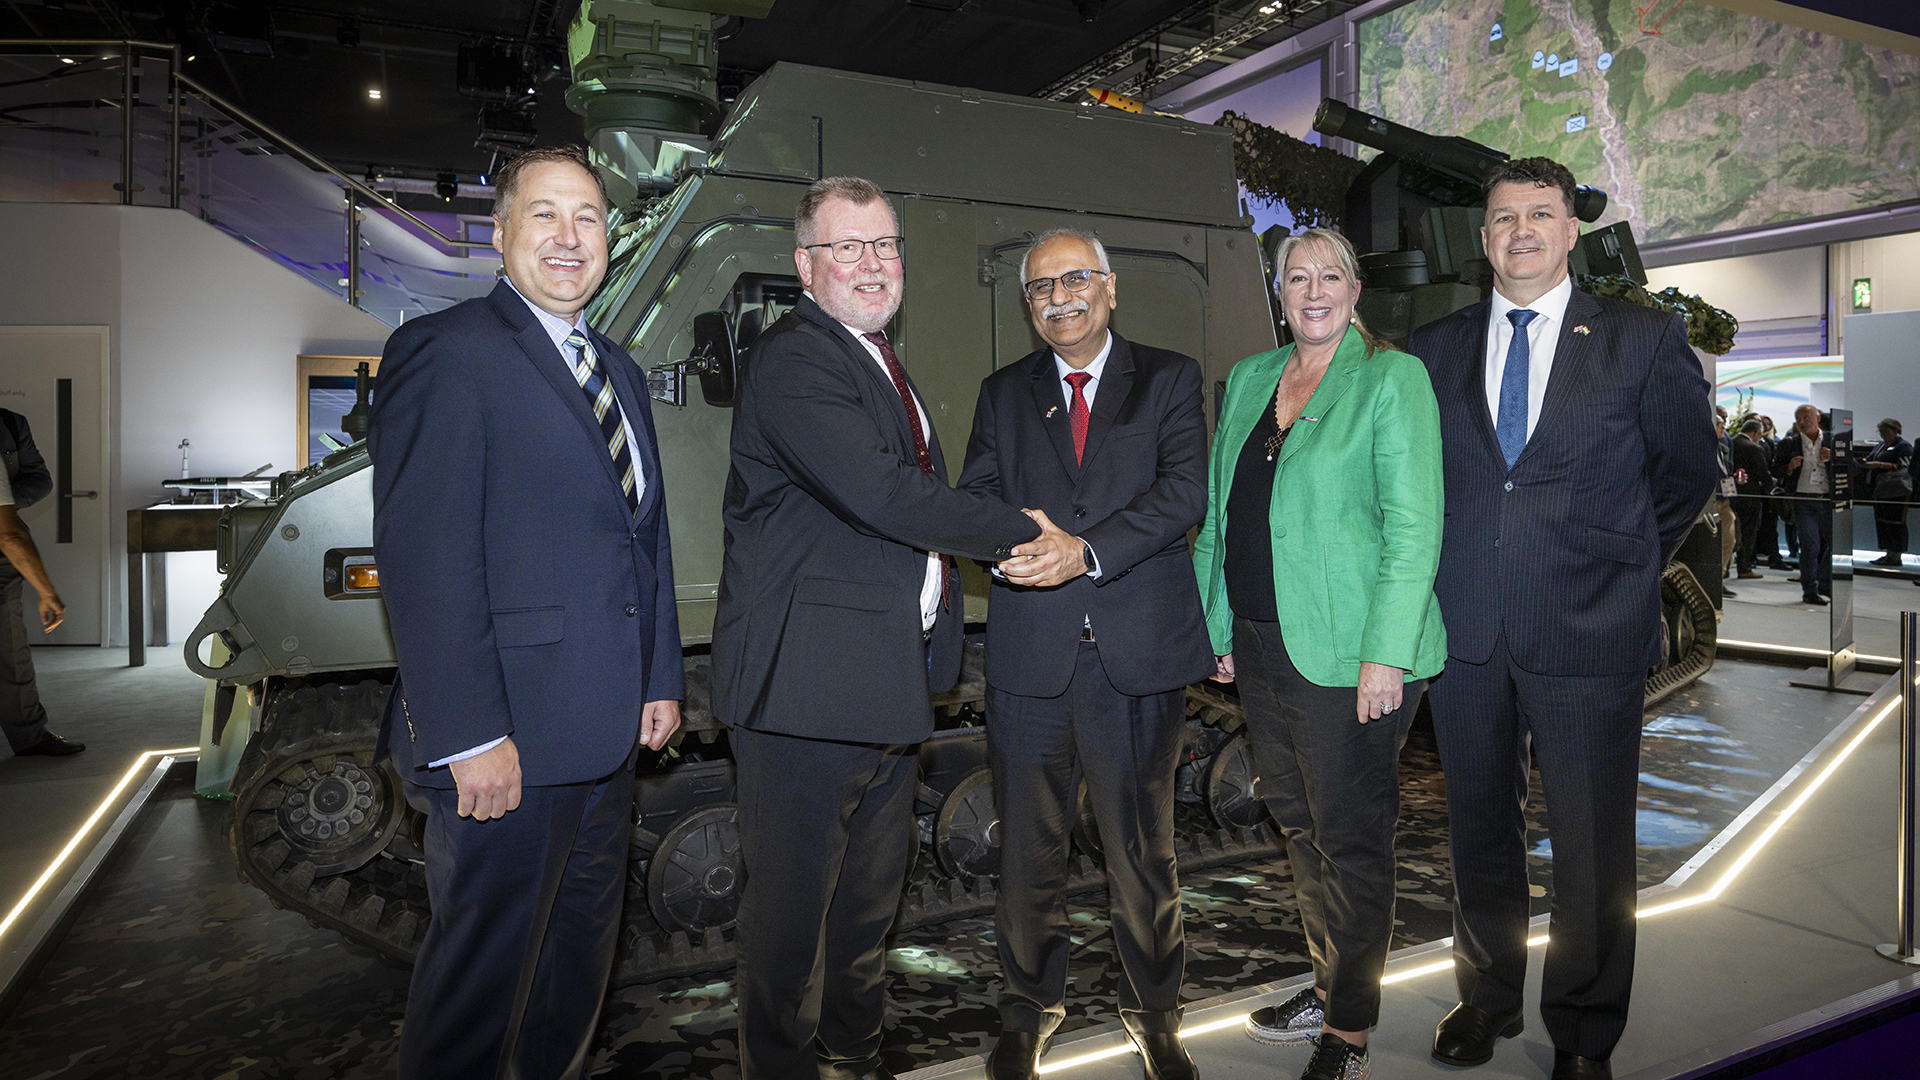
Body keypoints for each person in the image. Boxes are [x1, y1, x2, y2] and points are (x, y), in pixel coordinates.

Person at [712, 175, 1051, 1080]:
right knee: (787, 932)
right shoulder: (797, 359)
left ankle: (856, 1059)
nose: (872, 263)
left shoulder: (874, 359)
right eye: (847, 246)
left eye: (885, 245)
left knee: (864, 916)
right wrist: (1031, 534)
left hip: (880, 686)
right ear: (804, 265)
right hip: (804, 695)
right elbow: (884, 496)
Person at [368, 144, 684, 1080]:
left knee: (574, 971)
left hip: (603, 735)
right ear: (499, 234)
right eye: (543, 215)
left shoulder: (619, 370)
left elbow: (646, 540)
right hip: (506, 740)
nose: (567, 236)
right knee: (483, 982)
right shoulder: (448, 351)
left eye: (586, 217)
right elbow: (426, 561)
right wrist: (468, 734)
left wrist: (657, 676)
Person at [1409, 157, 1718, 1080]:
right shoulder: (1435, 347)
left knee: (1589, 845)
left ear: (1571, 228)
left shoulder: (1640, 336)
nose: (1520, 233)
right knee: (1476, 830)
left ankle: (1584, 1032)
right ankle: (1488, 997)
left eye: (1539, 215)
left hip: (1589, 627)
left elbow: (1687, 474)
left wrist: (1619, 567)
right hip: (1466, 631)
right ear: (1484, 236)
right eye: (1503, 218)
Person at [957, 228, 1211, 1080]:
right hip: (1032, 660)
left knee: (1143, 852)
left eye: (1074, 280)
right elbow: (977, 501)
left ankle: (1156, 1014)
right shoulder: (1002, 393)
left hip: (1133, 660)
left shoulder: (1169, 379)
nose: (1058, 297)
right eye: (1039, 287)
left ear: (1110, 288)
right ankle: (1027, 1012)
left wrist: (1084, 551)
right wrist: (1006, 552)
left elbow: (1183, 495)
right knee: (1028, 853)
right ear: (1027, 306)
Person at [1193, 227, 1447, 1080]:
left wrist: (1388, 653)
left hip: (1353, 653)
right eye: (1296, 277)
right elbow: (1224, 518)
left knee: (1349, 836)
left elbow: (1415, 529)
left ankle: (1348, 1031)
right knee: (1299, 827)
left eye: (1329, 275)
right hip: (1266, 646)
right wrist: (1217, 623)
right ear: (1278, 290)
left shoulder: (1390, 377)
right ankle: (1333, 981)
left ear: (1354, 288)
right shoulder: (1255, 380)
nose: (1312, 290)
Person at [1, 408, 80, 757]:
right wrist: (47, 593)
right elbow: (11, 536)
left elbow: (39, 480)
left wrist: (5, 500)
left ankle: (30, 736)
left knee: (11, 648)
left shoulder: (10, 424)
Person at [1773, 404, 1833, 605]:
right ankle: (1809, 590)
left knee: (1836, 545)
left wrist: (1833, 460)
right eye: (1798, 418)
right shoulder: (1789, 443)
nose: (1801, 422)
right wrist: (1789, 468)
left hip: (1828, 500)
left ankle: (1824, 582)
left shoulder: (1834, 441)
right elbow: (1775, 471)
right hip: (1803, 500)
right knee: (1810, 546)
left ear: (1818, 418)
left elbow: (1855, 468)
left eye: (1806, 417)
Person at [1861, 418, 1911, 566]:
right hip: (1880, 489)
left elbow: (1906, 467)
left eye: (1886, 431)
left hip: (1897, 490)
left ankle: (1896, 555)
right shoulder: (1880, 446)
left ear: (1896, 431)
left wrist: (1881, 464)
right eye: (1880, 431)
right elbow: (1869, 458)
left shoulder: (1904, 446)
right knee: (1883, 522)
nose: (1883, 434)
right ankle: (1888, 553)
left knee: (1896, 522)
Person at [1729, 418, 1772, 579]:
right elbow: (1763, 473)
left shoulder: (1730, 442)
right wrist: (1771, 490)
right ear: (1756, 433)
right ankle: (1744, 567)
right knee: (1748, 533)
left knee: (1731, 532)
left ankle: (1726, 567)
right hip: (1750, 496)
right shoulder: (1754, 448)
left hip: (1732, 494)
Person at [1756, 415, 1786, 568]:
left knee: (1770, 526)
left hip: (1768, 491)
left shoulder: (1771, 442)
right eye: (1762, 424)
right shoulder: (1756, 444)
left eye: (1768, 424)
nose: (1765, 427)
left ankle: (1774, 557)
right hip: (1758, 491)